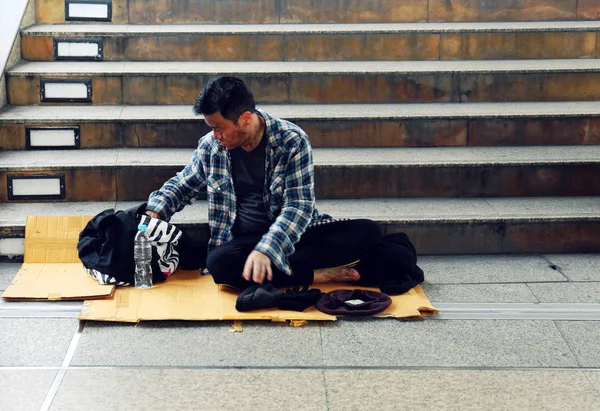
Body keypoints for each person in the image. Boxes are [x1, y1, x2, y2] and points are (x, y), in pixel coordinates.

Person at [145, 76, 382, 289]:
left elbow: (298, 207)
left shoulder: (291, 140)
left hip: (291, 235)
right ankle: (314, 275)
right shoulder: (211, 147)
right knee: (218, 263)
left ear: (245, 119)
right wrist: (156, 210)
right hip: (242, 245)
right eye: (212, 129)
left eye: (220, 128)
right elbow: (184, 184)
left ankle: (279, 269)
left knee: (368, 232)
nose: (216, 135)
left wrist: (268, 249)